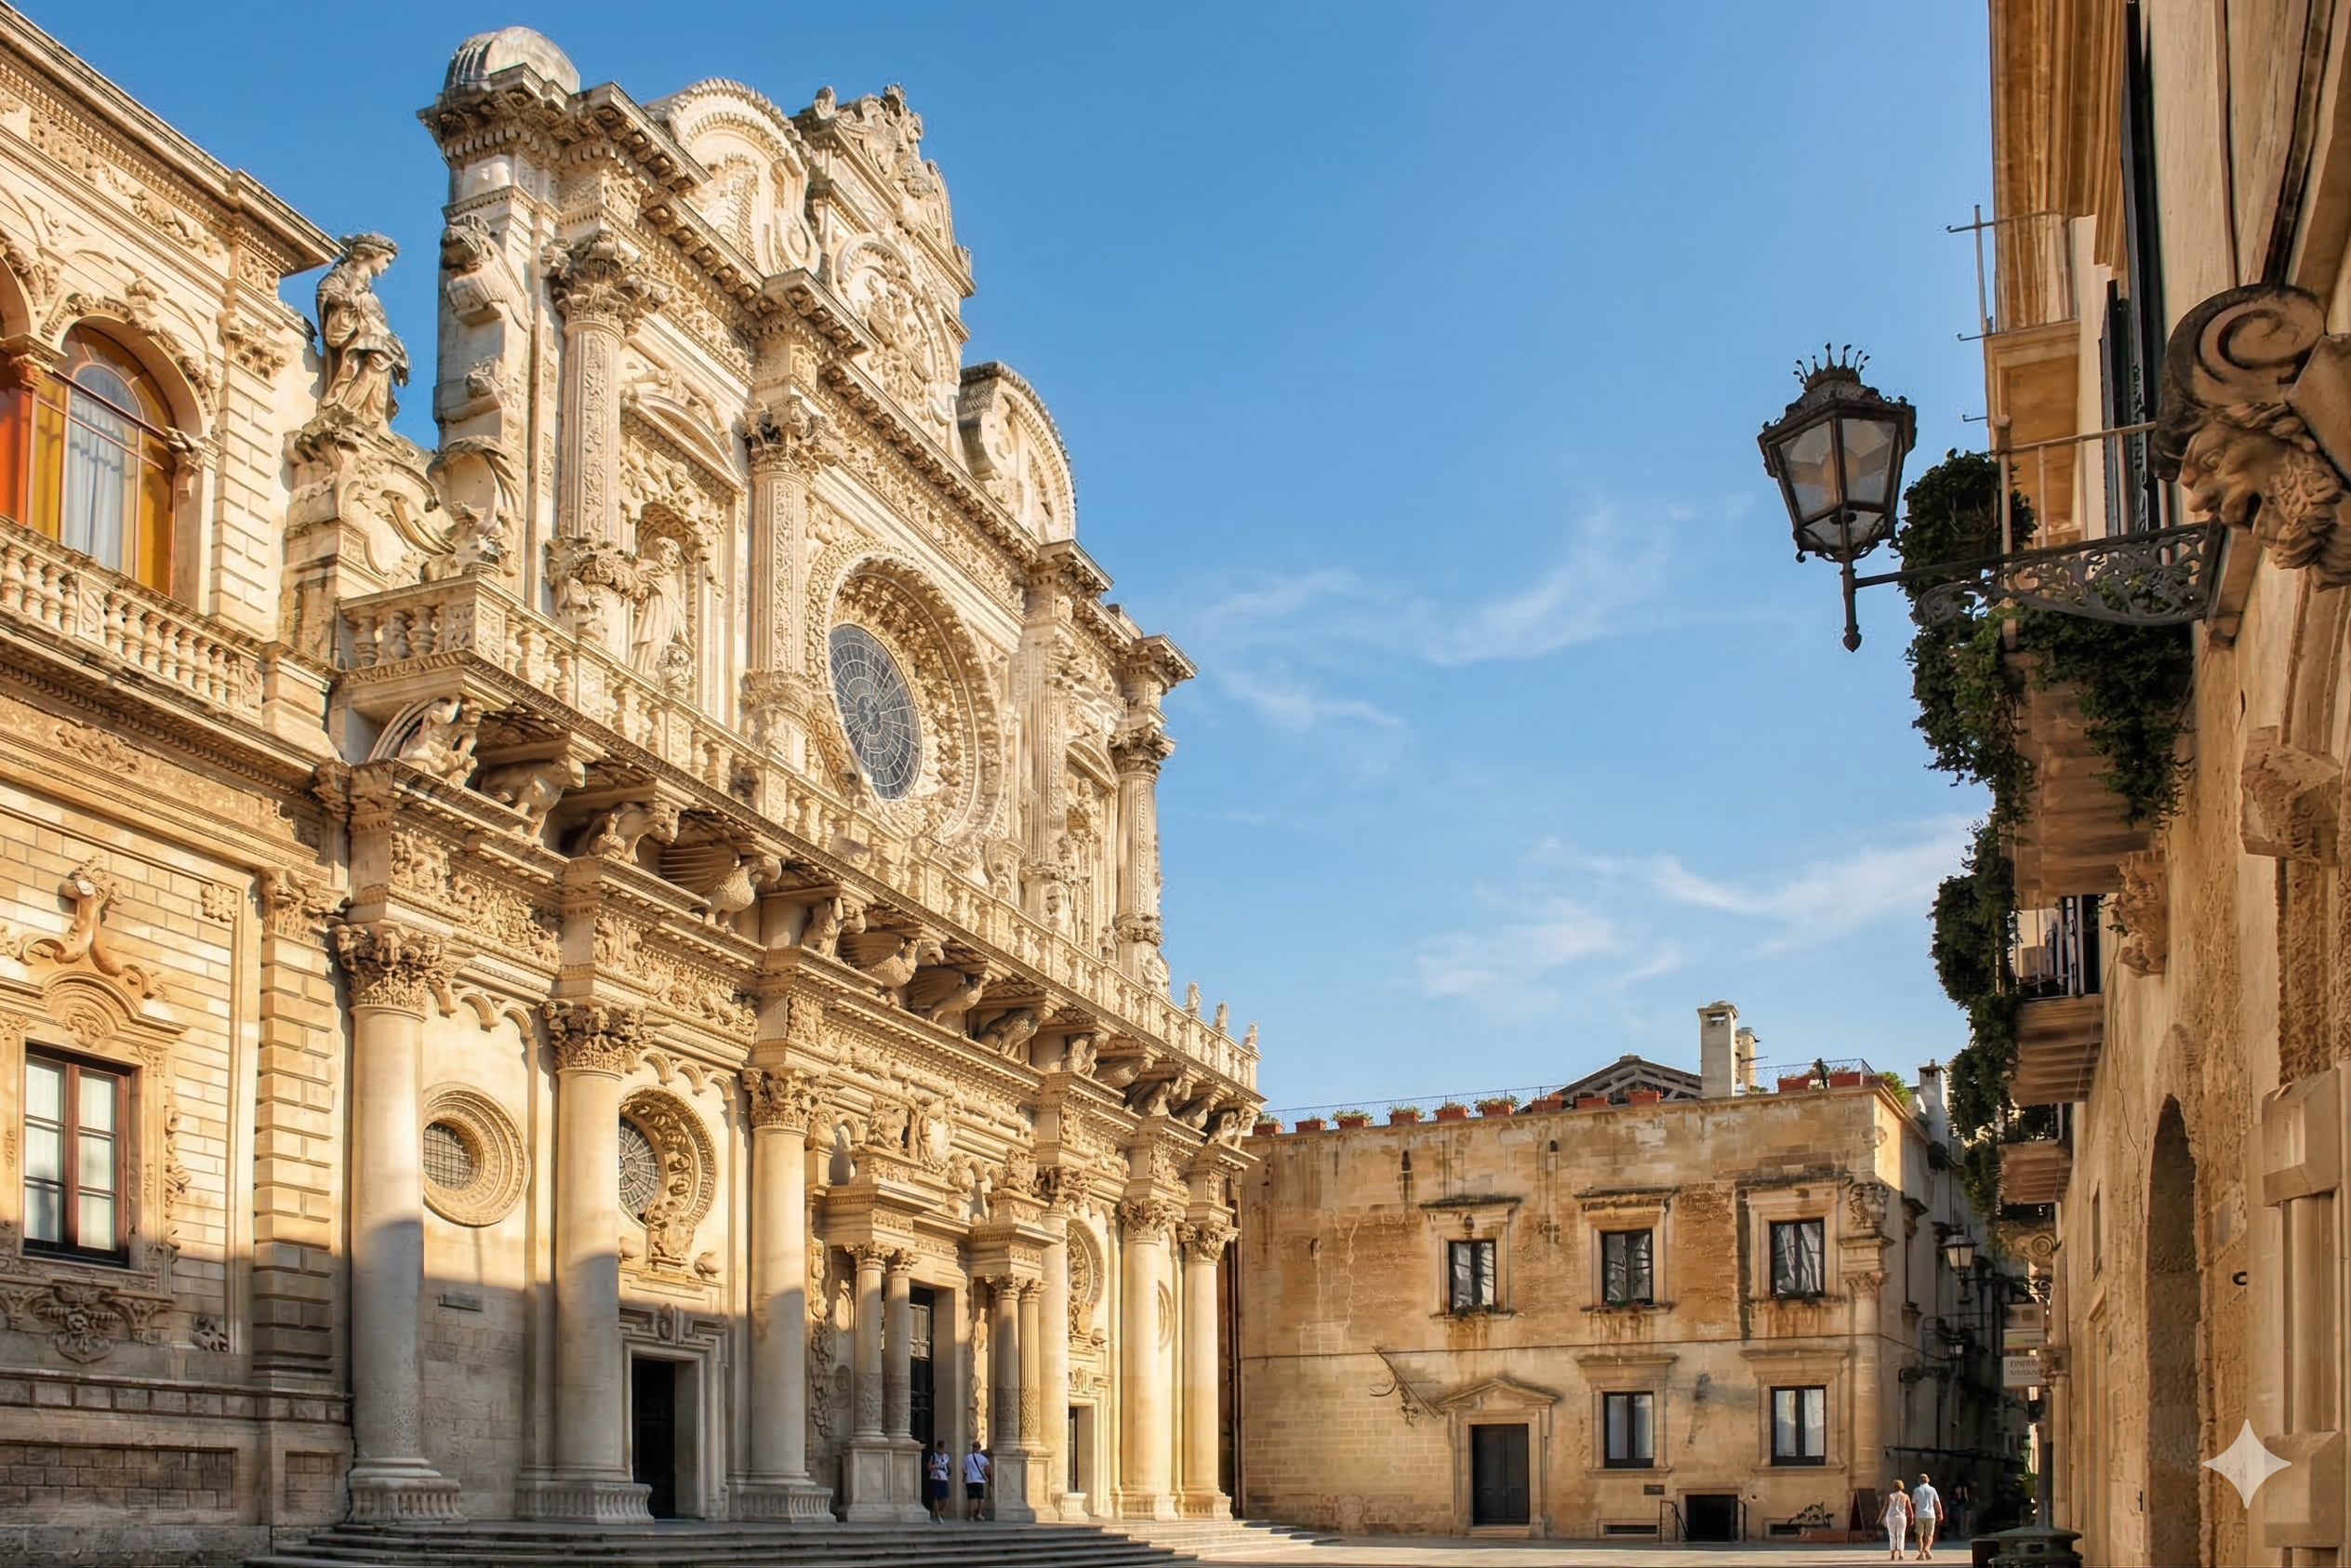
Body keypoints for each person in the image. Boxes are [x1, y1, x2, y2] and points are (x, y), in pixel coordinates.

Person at [1879, 1480, 1912, 1561]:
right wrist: (1912, 1518)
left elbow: (1885, 1508)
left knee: (1892, 1535)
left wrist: (1879, 1519)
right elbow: (1909, 1509)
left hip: (1890, 1517)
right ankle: (1901, 1553)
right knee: (1901, 1535)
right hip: (1901, 1517)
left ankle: (1892, 1554)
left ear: (1893, 1487)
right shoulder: (1905, 1496)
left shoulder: (1889, 1496)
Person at [1911, 1472, 1943, 1560]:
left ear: (1919, 1481)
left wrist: (1912, 1514)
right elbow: (1937, 1502)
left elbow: (1913, 1503)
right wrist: (1940, 1513)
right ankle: (1927, 1548)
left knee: (1919, 1535)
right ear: (1928, 1480)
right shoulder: (1932, 1490)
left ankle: (1921, 1553)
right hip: (1930, 1514)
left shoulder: (1916, 1490)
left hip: (1919, 1514)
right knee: (1929, 1535)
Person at [963, 1440, 990, 1521]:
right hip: (980, 1480)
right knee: (981, 1498)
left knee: (971, 1498)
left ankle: (971, 1516)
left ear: (973, 1448)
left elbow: (964, 1470)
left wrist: (964, 1477)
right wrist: (988, 1477)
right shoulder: (984, 1458)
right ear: (979, 1448)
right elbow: (988, 1470)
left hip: (970, 1480)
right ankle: (979, 1513)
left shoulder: (967, 1458)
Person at [924, 1440, 950, 1522]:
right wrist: (934, 1467)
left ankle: (938, 1511)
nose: (943, 1450)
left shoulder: (946, 1457)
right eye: (942, 1448)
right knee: (935, 1497)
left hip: (944, 1478)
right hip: (935, 1478)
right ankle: (937, 1514)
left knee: (945, 1498)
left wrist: (949, 1470)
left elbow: (948, 1466)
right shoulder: (934, 1456)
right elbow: (929, 1467)